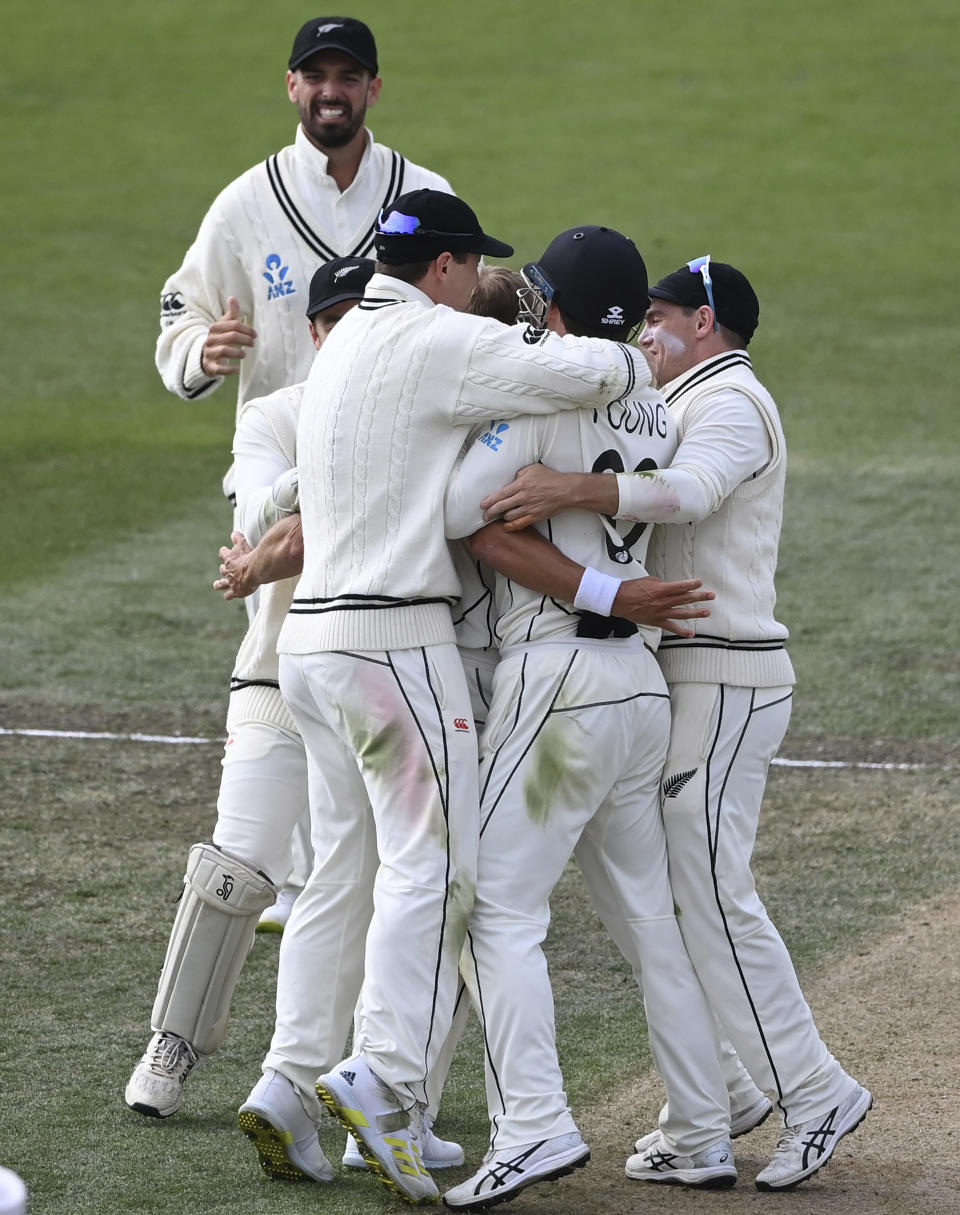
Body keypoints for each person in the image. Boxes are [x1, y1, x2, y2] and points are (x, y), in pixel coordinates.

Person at [236, 188, 674, 1206]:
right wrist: (623, 352)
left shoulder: (341, 344)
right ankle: (384, 1084)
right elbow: (586, 368)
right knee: (438, 871)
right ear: (443, 267)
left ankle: (295, 1084)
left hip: (312, 652)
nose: (481, 281)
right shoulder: (437, 338)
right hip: (396, 646)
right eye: (475, 266)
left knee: (344, 874)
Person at [479, 257, 872, 1192]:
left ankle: (815, 1090)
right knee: (666, 896)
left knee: (712, 888)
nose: (644, 333)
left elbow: (688, 495)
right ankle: (720, 1099)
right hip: (677, 679)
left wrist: (569, 490)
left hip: (727, 677)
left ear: (704, 322)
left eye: (658, 317)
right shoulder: (673, 394)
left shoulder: (732, 400)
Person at [441, 228, 737, 1211]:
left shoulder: (542, 390)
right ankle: (702, 1130)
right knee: (652, 923)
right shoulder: (654, 404)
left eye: (541, 299)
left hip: (560, 683)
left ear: (559, 311)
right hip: (637, 694)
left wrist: (601, 590)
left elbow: (465, 518)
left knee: (493, 911)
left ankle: (531, 1124)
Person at [156, 12, 453, 925]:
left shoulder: (422, 191)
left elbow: (462, 304)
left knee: (381, 653)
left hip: (398, 470)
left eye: (348, 76)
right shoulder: (246, 202)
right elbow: (178, 317)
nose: (332, 91)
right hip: (283, 460)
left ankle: (383, 858)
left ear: (373, 87)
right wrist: (204, 352)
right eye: (315, 75)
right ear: (292, 86)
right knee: (286, 655)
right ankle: (299, 870)